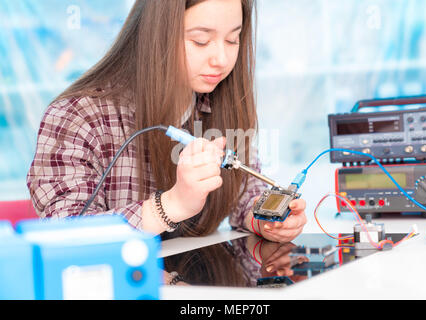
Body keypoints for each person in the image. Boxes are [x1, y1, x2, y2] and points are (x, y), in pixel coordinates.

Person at [27, 0, 307, 243]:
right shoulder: (77, 115)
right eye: (200, 40)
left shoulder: (214, 103)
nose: (221, 59)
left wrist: (264, 219)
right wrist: (172, 205)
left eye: (233, 40)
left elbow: (243, 190)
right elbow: (65, 235)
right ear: (155, 35)